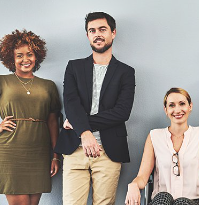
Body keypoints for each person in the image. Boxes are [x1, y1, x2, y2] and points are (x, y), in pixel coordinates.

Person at [0, 29, 61, 205]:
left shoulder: (48, 86)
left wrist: (55, 156)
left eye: (30, 54)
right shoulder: (0, 81)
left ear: (37, 55)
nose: (25, 59)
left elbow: (53, 122)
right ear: (11, 58)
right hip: (10, 151)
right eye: (19, 55)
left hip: (39, 152)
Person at [54, 11, 136, 205]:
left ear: (113, 33)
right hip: (74, 150)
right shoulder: (73, 67)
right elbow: (71, 102)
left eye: (102, 29)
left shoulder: (126, 72)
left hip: (108, 152)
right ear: (87, 35)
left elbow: (122, 112)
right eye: (92, 30)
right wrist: (84, 132)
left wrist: (78, 123)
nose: (97, 34)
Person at [125, 88, 199, 205]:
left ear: (190, 106)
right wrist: (134, 184)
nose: (177, 110)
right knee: (163, 197)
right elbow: (142, 177)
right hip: (161, 201)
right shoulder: (154, 136)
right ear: (166, 110)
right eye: (172, 105)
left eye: (182, 104)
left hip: (194, 201)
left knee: (181, 203)